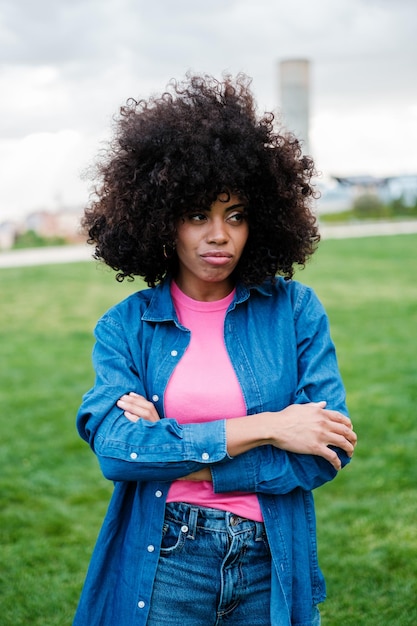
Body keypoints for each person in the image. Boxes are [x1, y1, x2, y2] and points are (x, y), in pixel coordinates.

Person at [73, 73, 357, 626]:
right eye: (198, 214)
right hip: (169, 559)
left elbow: (328, 452)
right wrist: (272, 426)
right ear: (163, 220)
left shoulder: (295, 310)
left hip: (270, 558)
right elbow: (115, 450)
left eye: (236, 215)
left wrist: (186, 463)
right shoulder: (127, 327)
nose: (218, 235)